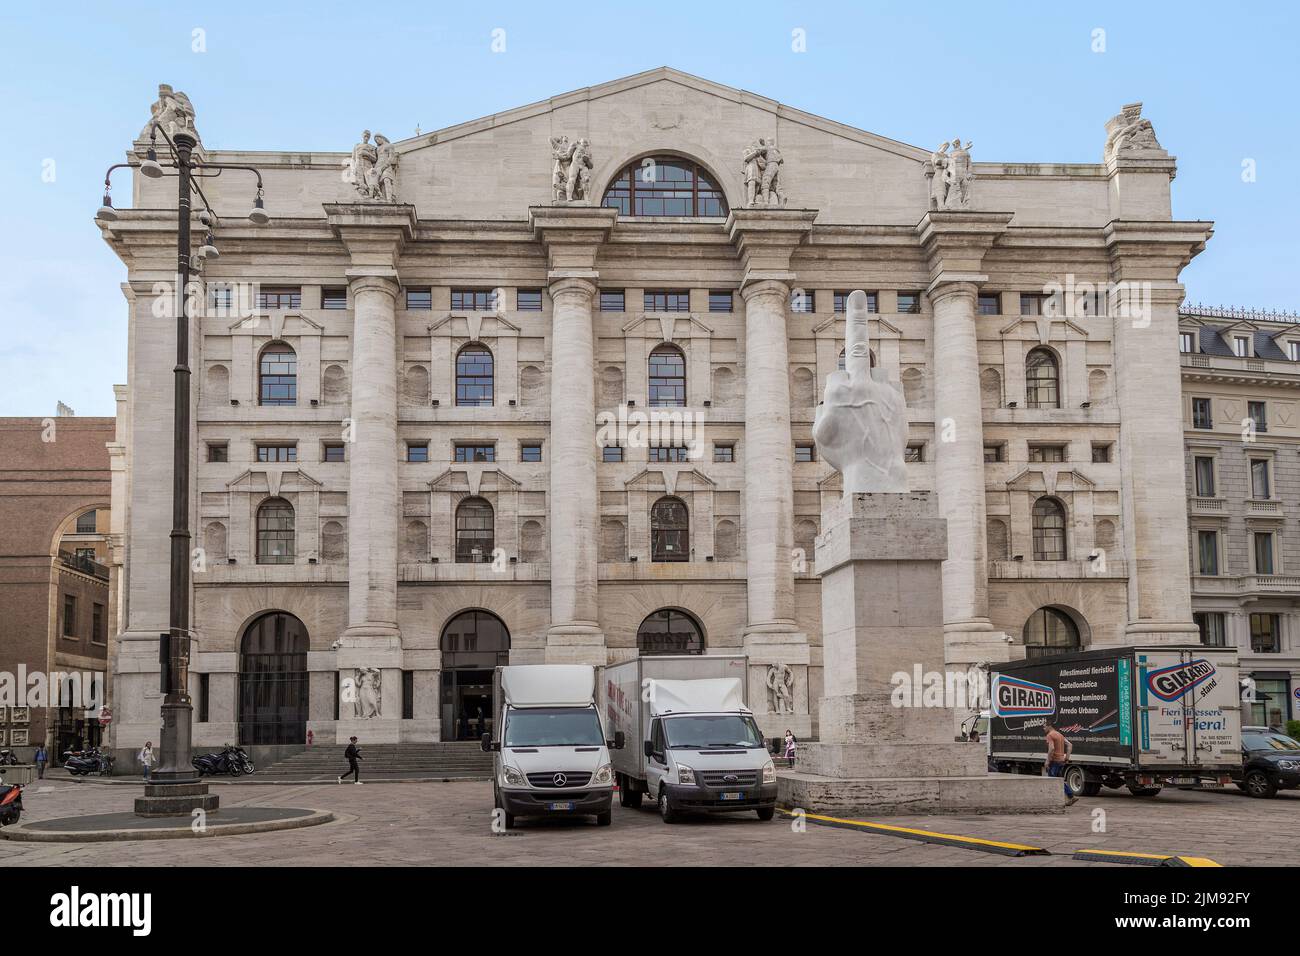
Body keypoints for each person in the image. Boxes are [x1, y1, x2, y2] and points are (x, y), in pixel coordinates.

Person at [1043, 722, 1077, 805]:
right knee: (1059, 780)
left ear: (1049, 726)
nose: (1043, 728)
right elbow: (1070, 745)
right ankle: (1070, 797)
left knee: (1053, 780)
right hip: (1061, 761)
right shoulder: (1060, 735)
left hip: (1054, 761)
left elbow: (1051, 748)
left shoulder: (1050, 735)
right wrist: (1067, 757)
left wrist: (1047, 761)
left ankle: (1059, 799)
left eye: (1044, 727)